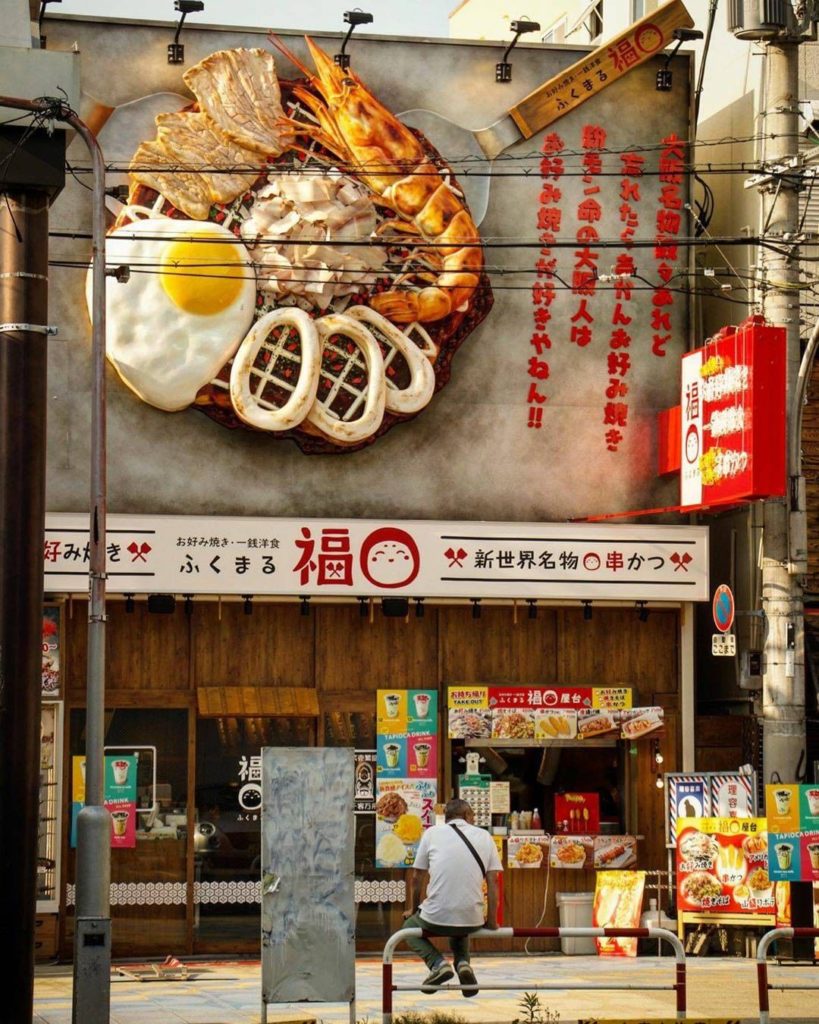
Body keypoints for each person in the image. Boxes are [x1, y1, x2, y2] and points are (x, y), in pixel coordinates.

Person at [402, 797, 502, 997]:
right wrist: (492, 921)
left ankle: (438, 964)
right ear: (466, 815)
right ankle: (463, 962)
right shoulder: (485, 836)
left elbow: (416, 877)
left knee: (408, 929)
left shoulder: (431, 833)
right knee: (461, 924)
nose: (473, 819)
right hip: (472, 917)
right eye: (472, 815)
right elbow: (493, 882)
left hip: (436, 916)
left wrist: (413, 909)